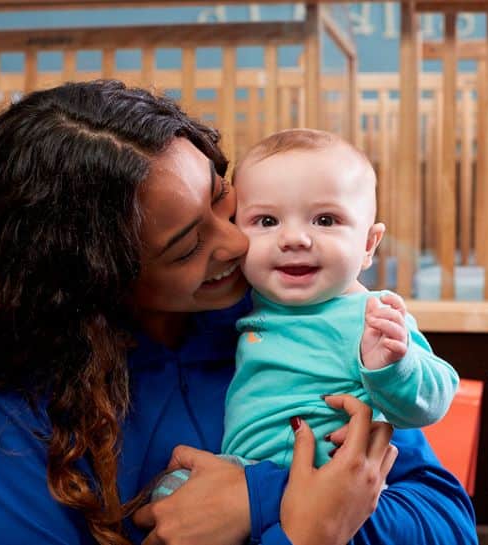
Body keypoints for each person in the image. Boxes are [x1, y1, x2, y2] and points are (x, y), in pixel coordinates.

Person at [0, 80, 477, 545]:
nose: (234, 244)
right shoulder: (18, 417)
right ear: (98, 279)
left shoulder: (301, 318)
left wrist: (260, 497)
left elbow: (447, 521)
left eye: (223, 199)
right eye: (186, 246)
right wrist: (303, 530)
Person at [153, 129, 459, 499]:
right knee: (169, 497)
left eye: (325, 220)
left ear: (368, 245)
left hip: (326, 475)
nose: (294, 238)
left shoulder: (372, 316)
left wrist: (393, 366)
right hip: (241, 470)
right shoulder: (244, 304)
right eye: (267, 221)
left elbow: (434, 399)